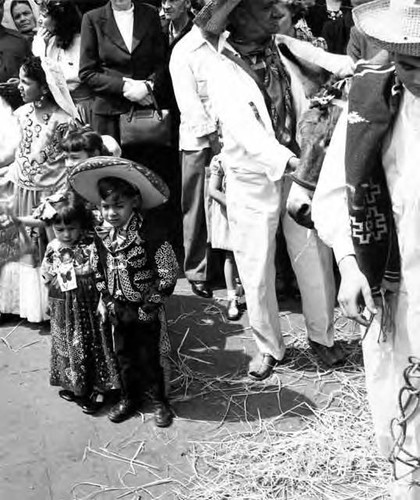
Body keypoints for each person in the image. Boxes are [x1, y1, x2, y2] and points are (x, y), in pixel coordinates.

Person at [194, 0, 353, 379]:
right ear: (237, 17)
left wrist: (363, 69)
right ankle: (269, 345)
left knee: (313, 255)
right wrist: (295, 163)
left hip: (298, 172)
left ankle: (323, 337)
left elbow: (335, 65)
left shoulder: (285, 45)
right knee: (255, 263)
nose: (273, 13)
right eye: (263, 8)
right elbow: (246, 133)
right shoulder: (219, 68)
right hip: (253, 177)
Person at [312, 1, 420, 497]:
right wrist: (350, 265)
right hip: (393, 283)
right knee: (396, 384)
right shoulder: (371, 103)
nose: (417, 76)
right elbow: (334, 190)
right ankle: (405, 475)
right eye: (409, 64)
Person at [69, 156, 178, 427]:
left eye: (119, 206)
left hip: (144, 309)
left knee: (150, 356)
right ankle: (130, 398)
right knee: (124, 356)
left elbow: (168, 273)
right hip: (118, 308)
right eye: (105, 207)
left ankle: (159, 402)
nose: (111, 213)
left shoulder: (150, 233)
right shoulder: (102, 235)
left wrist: (148, 307)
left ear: (135, 203)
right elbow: (98, 269)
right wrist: (106, 298)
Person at [0, 55, 73, 322]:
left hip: (48, 196)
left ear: (44, 87)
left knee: (48, 250)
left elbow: (70, 161)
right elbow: (12, 153)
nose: (19, 86)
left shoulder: (63, 120)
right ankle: (21, 306)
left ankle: (51, 307)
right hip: (19, 191)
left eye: (25, 82)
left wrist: (59, 198)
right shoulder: (19, 114)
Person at [40, 191, 120, 414]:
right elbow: (47, 274)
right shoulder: (53, 247)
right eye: (60, 229)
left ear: (81, 225)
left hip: (88, 302)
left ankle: (101, 388)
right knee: (68, 343)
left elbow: (103, 272)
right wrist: (49, 300)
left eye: (71, 228)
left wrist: (104, 300)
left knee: (92, 343)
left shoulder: (91, 244)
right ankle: (76, 384)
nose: (66, 234)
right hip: (63, 304)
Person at [169, 19, 222, 299]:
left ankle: (232, 272)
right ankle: (197, 270)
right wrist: (214, 139)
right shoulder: (184, 51)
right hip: (198, 141)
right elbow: (188, 103)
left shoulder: (230, 41)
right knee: (197, 206)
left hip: (236, 137)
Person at [79, 0, 166, 148]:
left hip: (145, 110)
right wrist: (125, 87)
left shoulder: (150, 13)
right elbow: (87, 72)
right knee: (111, 168)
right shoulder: (92, 18)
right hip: (109, 113)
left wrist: (148, 86)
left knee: (146, 168)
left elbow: (162, 62)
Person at [32, 0, 93, 124]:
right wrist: (41, 47)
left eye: (44, 16)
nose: (39, 20)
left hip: (80, 108)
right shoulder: (49, 40)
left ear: (59, 20)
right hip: (58, 108)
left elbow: (67, 80)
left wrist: (42, 54)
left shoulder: (81, 42)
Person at [208, 155, 241, 320]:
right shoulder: (220, 160)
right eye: (220, 136)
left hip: (250, 214)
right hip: (230, 212)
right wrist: (232, 204)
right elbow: (212, 189)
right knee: (231, 255)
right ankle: (232, 297)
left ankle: (246, 289)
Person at [0, 0, 31, 109]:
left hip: (17, 109)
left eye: (0, 6)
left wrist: (20, 83)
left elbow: (35, 76)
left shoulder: (20, 40)